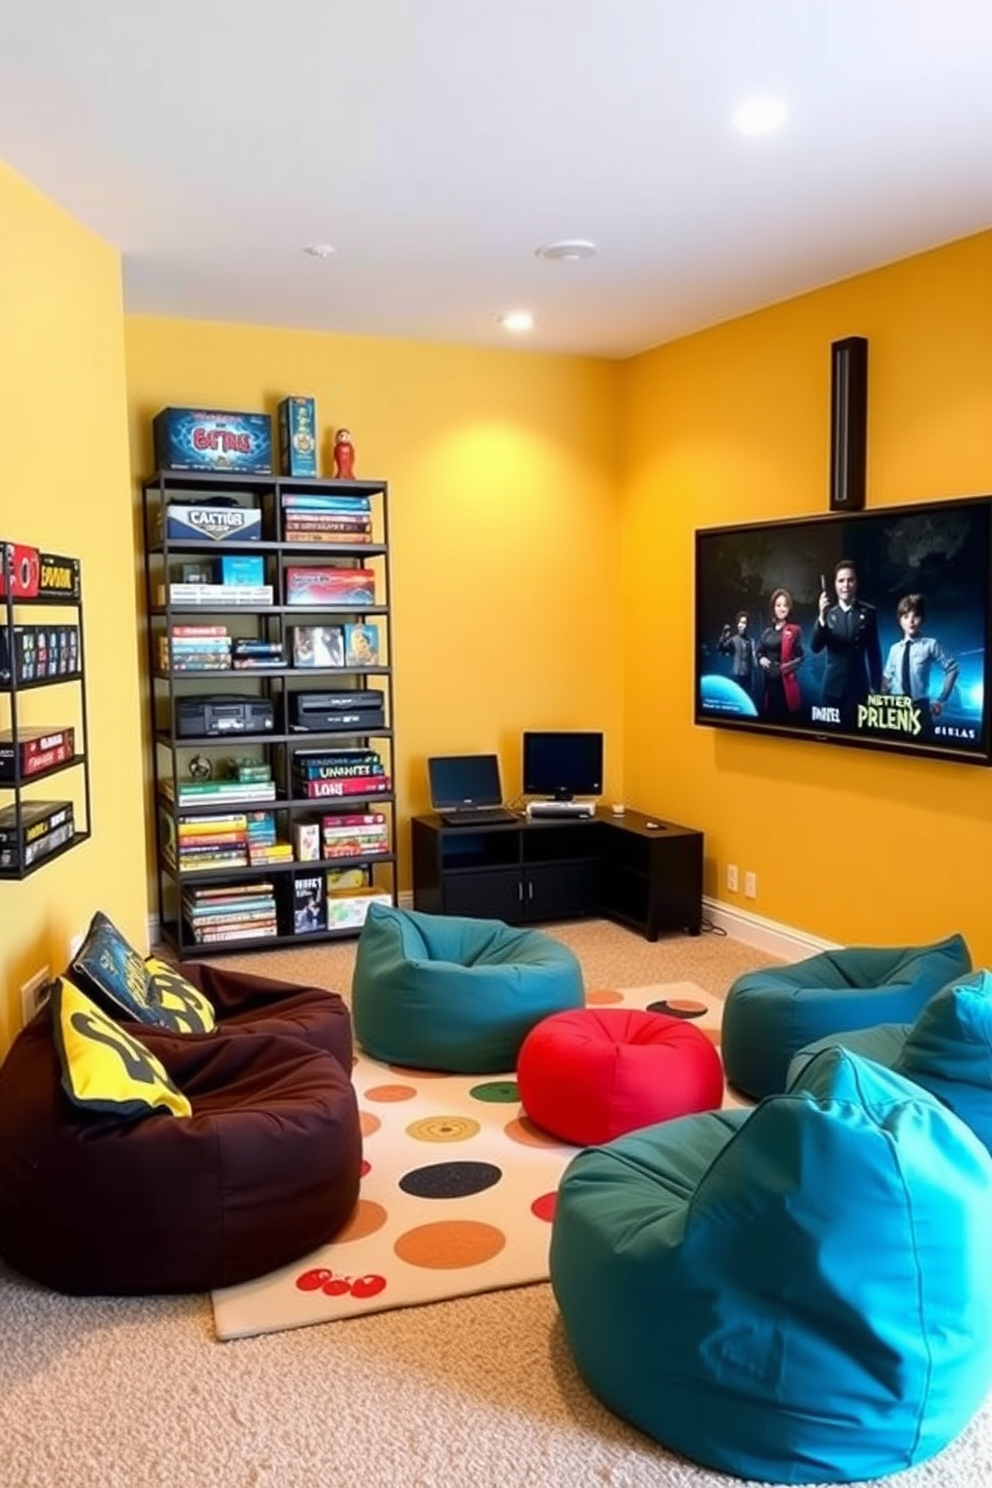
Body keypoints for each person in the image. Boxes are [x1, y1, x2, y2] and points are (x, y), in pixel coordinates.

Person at [809, 558, 882, 723]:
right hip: (831, 689)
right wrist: (821, 617)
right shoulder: (827, 614)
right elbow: (815, 647)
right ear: (835, 584)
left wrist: (876, 688)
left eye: (850, 580)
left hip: (859, 689)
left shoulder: (869, 612)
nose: (846, 585)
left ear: (856, 583)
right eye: (841, 581)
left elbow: (874, 653)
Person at [881, 593, 959, 727]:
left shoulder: (930, 645)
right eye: (906, 616)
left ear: (922, 619)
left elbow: (952, 668)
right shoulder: (894, 649)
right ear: (900, 620)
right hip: (895, 707)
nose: (911, 622)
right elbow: (887, 678)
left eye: (915, 616)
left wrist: (941, 699)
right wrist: (881, 701)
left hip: (919, 707)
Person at [756, 588, 804, 722]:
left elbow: (800, 658)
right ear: (773, 608)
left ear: (789, 608)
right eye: (778, 605)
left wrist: (783, 668)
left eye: (785, 605)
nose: (781, 608)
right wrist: (761, 658)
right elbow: (759, 651)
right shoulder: (767, 632)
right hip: (768, 685)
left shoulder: (794, 630)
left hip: (785, 685)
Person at [717, 610, 758, 701]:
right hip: (736, 677)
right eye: (740, 622)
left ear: (748, 625)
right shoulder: (733, 640)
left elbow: (754, 661)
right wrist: (723, 636)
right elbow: (721, 648)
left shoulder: (751, 641)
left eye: (744, 623)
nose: (741, 625)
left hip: (748, 679)